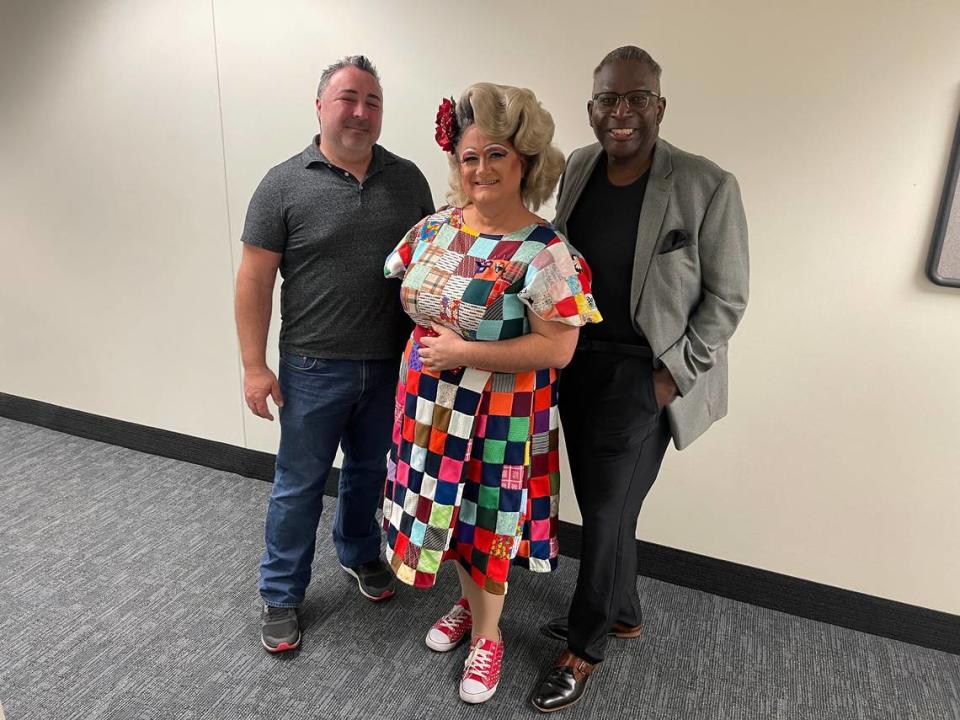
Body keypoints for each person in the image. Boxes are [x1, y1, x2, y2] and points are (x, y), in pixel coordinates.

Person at [530, 46, 750, 712]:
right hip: (579, 359)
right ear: (592, 106)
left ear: (659, 105)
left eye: (636, 99)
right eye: (607, 99)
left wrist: (667, 378)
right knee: (608, 503)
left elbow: (728, 300)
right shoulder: (580, 165)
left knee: (602, 512)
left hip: (644, 374)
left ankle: (585, 645)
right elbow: (559, 254)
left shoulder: (706, 183)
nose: (620, 113)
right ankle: (623, 610)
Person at [381, 83, 601, 704]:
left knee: (489, 524)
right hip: (427, 406)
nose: (480, 169)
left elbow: (557, 349)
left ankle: (489, 635)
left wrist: (463, 353)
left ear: (526, 161)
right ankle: (469, 606)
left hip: (501, 416)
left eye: (497, 155)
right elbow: (404, 287)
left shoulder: (546, 251)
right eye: (469, 156)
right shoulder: (433, 229)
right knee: (447, 513)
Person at [235, 55, 434, 653]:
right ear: (320, 106)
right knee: (298, 486)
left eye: (372, 101)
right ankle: (281, 592)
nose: (360, 111)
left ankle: (358, 554)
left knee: (371, 473)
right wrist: (253, 365)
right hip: (312, 368)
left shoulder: (408, 180)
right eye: (348, 98)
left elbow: (431, 267)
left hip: (391, 365)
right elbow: (253, 280)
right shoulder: (283, 183)